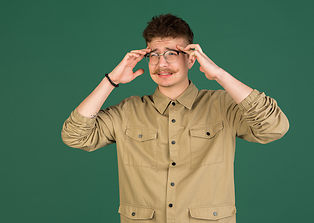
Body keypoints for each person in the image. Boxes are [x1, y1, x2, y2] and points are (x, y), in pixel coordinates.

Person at [61, 13, 289, 223]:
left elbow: (274, 127)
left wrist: (219, 75)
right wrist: (111, 80)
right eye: (154, 55)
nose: (162, 64)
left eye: (171, 54)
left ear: (191, 59)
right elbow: (75, 136)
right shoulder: (128, 111)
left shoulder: (223, 106)